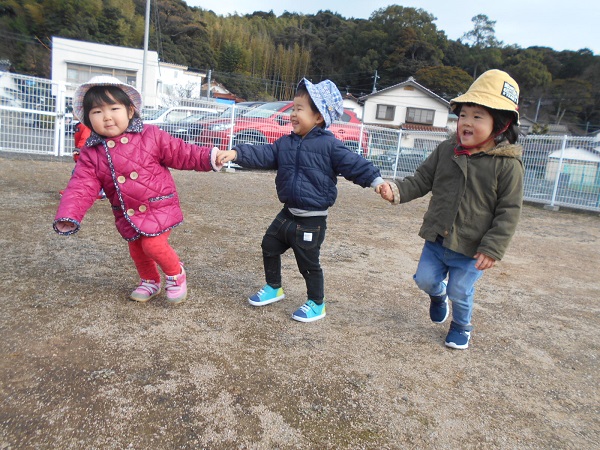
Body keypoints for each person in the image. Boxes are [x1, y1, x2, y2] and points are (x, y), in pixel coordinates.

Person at [218, 78, 388, 322]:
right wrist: (237, 153)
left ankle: (317, 303)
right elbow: (264, 153)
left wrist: (376, 181)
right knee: (269, 245)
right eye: (293, 108)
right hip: (288, 212)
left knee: (308, 263)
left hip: (312, 220)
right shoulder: (285, 143)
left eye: (300, 109)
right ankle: (274, 287)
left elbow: (355, 164)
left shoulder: (330, 145)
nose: (293, 114)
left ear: (318, 117)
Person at [379, 69, 524, 349]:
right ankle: (437, 295)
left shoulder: (507, 165)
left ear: (501, 124)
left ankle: (460, 326)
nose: (466, 122)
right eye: (463, 115)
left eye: (478, 116)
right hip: (437, 238)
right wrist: (396, 191)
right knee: (424, 280)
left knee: (460, 290)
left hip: (472, 247)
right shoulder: (447, 150)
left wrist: (493, 248)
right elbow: (421, 180)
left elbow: (509, 211)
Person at [54, 75, 223, 304]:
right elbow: (81, 186)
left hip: (158, 206)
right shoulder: (92, 153)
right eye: (97, 112)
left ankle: (176, 274)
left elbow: (182, 152)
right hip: (127, 212)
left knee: (153, 245)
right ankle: (150, 281)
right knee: (137, 249)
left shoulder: (150, 135)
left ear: (130, 111)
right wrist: (69, 213)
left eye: (114, 108)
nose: (107, 116)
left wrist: (210, 157)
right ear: (87, 119)